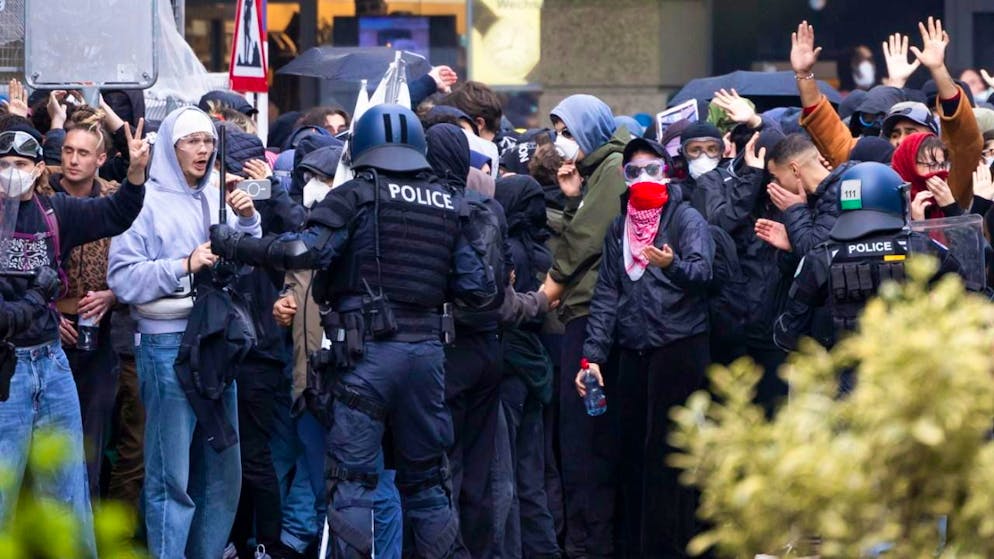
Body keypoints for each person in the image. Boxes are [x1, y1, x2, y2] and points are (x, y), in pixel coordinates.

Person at [208, 104, 496, 558]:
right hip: (427, 361)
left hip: (366, 358)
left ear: (360, 147)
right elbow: (479, 289)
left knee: (353, 483)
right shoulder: (447, 203)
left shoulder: (354, 195)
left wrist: (236, 244)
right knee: (427, 483)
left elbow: (303, 250)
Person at [108, 106, 262, 559]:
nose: (203, 149)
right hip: (166, 344)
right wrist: (183, 266)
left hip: (215, 344)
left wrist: (249, 220)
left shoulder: (215, 194)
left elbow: (248, 262)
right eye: (192, 141)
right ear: (170, 149)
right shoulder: (143, 202)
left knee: (221, 471)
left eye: (208, 141)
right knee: (169, 475)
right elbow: (122, 279)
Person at [0, 122, 148, 557]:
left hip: (51, 365)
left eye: (20, 164)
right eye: (3, 164)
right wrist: (39, 296)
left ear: (36, 169)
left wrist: (136, 173)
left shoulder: (54, 212)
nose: (11, 171)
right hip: (6, 372)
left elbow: (116, 213)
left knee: (68, 490)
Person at [579, 137, 714, 557]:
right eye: (633, 171)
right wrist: (593, 357)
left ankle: (675, 547)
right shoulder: (620, 226)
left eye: (651, 169)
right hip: (634, 350)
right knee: (633, 452)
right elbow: (606, 295)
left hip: (679, 345)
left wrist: (670, 264)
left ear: (666, 170)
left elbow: (704, 272)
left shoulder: (685, 217)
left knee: (671, 455)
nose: (642, 178)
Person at [539, 93, 630, 559]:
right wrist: (575, 198)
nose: (561, 142)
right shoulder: (600, 172)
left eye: (568, 131)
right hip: (589, 315)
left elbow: (584, 242)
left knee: (584, 444)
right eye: (557, 131)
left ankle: (589, 546)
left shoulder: (615, 170)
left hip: (590, 318)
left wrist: (543, 294)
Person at [793, 19, 981, 208]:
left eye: (911, 131)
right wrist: (804, 75)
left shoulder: (951, 172)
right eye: (894, 134)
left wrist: (938, 69)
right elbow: (827, 129)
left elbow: (962, 134)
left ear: (932, 136)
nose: (901, 140)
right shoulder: (873, 167)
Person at [773, 161, 960, 352]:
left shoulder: (820, 258)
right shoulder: (923, 248)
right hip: (912, 372)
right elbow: (973, 301)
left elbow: (789, 333)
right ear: (893, 198)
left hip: (845, 375)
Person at [41, 107, 123, 499]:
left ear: (101, 159)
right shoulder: (39, 194)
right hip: (42, 330)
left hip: (100, 332)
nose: (73, 160)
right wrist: (47, 313)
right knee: (45, 443)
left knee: (91, 440)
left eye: (83, 153)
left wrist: (114, 294)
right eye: (68, 151)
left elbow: (137, 258)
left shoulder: (114, 198)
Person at [757, 133, 856, 257]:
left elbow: (815, 254)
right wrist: (792, 241)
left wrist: (794, 209)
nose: (775, 184)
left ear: (794, 169)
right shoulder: (822, 195)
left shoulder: (840, 193)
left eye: (776, 178)